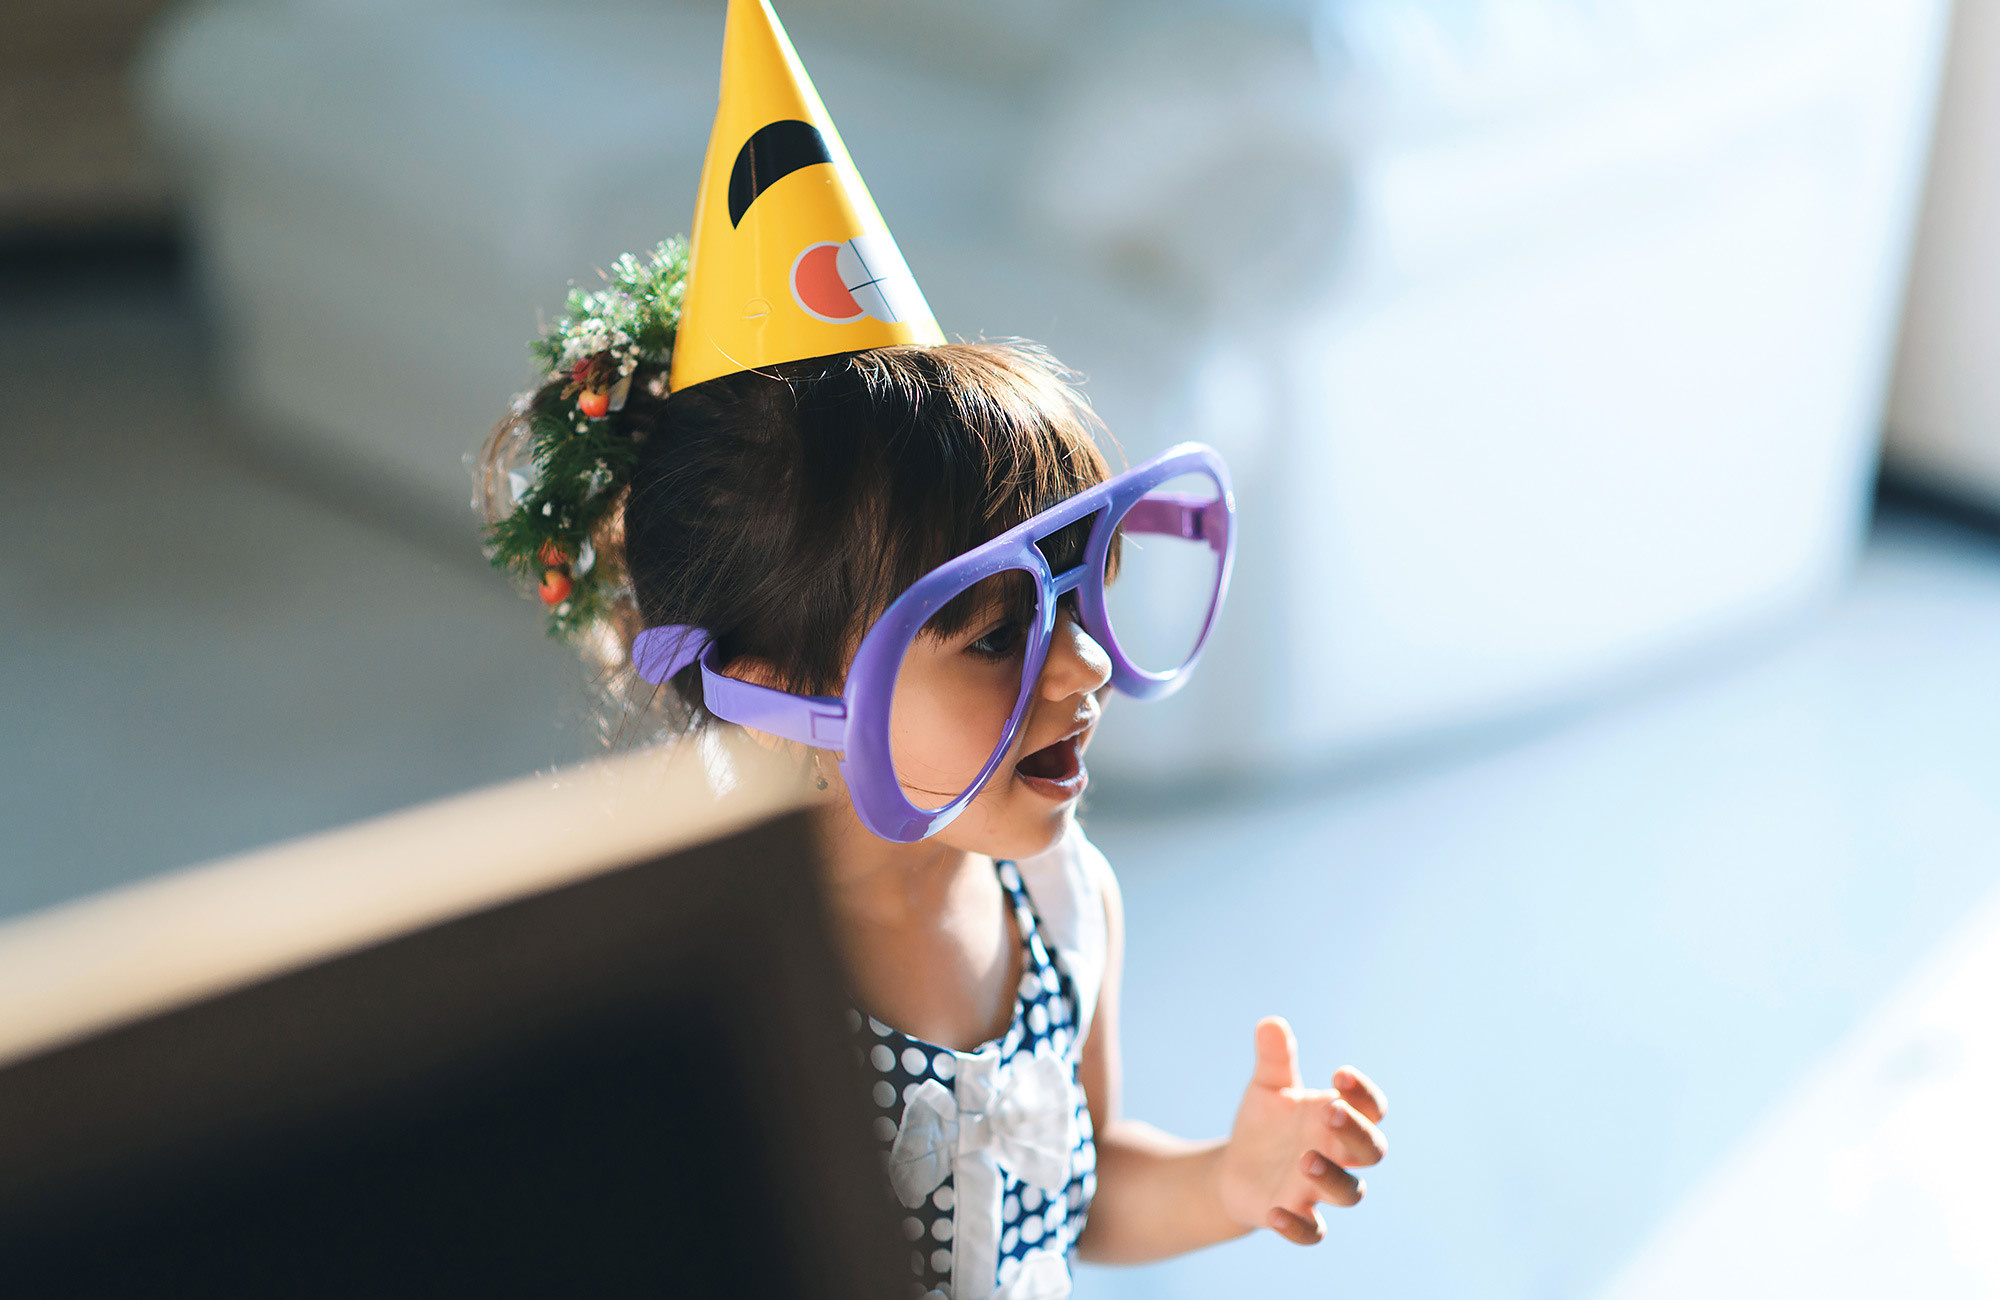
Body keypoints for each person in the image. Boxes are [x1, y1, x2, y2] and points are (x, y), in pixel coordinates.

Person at [476, 3, 1387, 1297]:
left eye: (1081, 597)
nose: (1081, 670)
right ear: (787, 686)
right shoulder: (715, 981)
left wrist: (1228, 1181)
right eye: (998, 632)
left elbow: (1069, 1188)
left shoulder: (1064, 903)